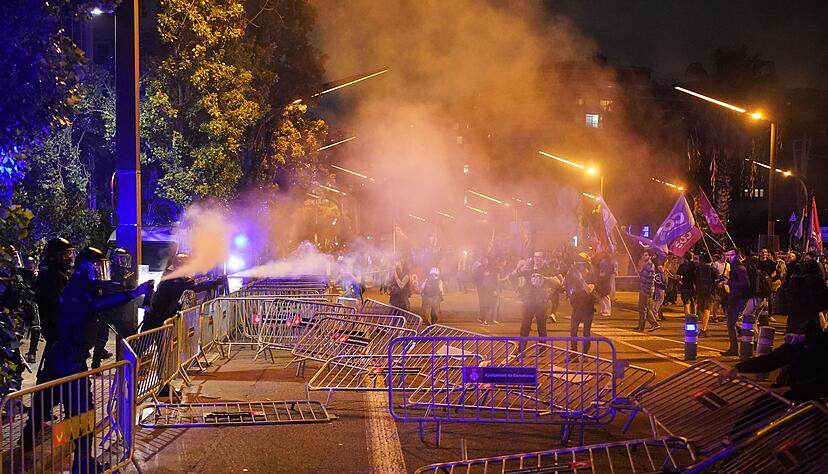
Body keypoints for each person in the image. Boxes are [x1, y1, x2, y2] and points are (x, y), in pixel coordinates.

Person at [22, 247, 152, 472]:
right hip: (68, 360)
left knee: (61, 408)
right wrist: (133, 294)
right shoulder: (75, 290)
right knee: (82, 414)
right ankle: (79, 463)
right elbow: (95, 306)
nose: (101, 271)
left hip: (66, 358)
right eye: (97, 266)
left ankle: (72, 458)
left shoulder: (82, 287)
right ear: (85, 268)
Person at [728, 331, 828, 404]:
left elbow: (823, 382)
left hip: (810, 400)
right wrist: (738, 368)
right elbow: (773, 359)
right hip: (790, 393)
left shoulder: (816, 342)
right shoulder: (803, 342)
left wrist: (793, 389)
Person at [722, 248, 749, 357]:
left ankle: (734, 348)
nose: (729, 257)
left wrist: (729, 282)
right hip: (735, 298)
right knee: (731, 323)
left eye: (732, 255)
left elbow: (745, 284)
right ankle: (742, 339)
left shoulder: (739, 268)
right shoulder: (735, 267)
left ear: (737, 255)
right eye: (728, 255)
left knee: (730, 323)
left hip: (738, 299)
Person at [566, 260, 597, 352]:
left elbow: (589, 290)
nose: (578, 267)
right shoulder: (574, 275)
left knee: (586, 332)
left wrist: (581, 280)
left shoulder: (591, 276)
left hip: (587, 308)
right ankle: (574, 353)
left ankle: (585, 354)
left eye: (580, 265)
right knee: (573, 331)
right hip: (576, 308)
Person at [635, 251, 660, 332]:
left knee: (644, 308)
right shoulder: (645, 265)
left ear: (650, 256)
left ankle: (643, 326)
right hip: (643, 289)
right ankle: (645, 325)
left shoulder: (650, 266)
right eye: (643, 255)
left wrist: (647, 291)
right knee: (644, 308)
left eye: (646, 255)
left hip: (646, 290)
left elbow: (649, 280)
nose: (644, 256)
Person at [695, 255, 717, 337]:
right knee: (707, 309)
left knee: (701, 310)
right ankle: (704, 328)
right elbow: (717, 278)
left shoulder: (698, 269)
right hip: (709, 292)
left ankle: (702, 326)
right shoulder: (712, 269)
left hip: (700, 291)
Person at [711, 253, 729, 324]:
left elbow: (728, 275)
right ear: (721, 256)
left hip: (724, 285)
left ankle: (726, 315)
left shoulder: (728, 265)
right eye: (724, 255)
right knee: (717, 301)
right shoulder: (716, 264)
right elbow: (713, 274)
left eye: (727, 255)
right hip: (717, 284)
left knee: (726, 301)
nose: (725, 257)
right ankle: (714, 316)